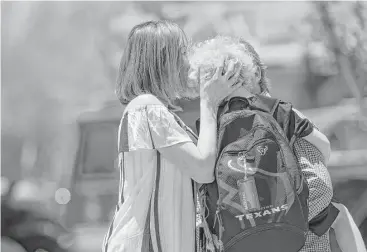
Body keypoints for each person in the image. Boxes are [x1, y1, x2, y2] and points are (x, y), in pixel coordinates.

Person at [189, 36, 365, 252]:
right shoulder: (275, 109)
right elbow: (322, 146)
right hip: (293, 211)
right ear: (252, 73)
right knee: (338, 214)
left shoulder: (210, 127)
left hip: (239, 224)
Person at [102, 21, 242, 252]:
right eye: (182, 52)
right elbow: (203, 168)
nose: (188, 61)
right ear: (163, 60)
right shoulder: (147, 107)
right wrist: (208, 102)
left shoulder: (151, 110)